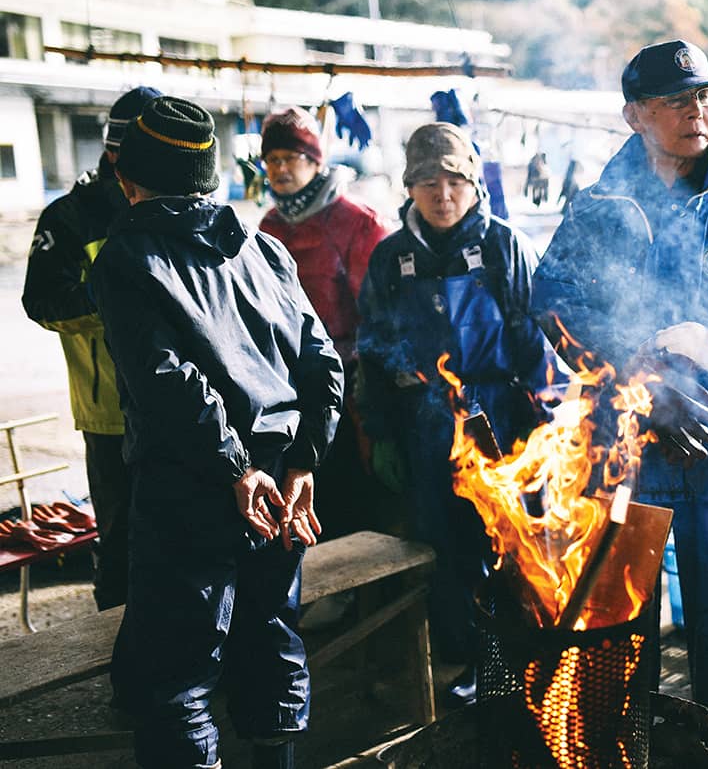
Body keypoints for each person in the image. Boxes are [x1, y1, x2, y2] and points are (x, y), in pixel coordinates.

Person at [529, 39, 708, 727]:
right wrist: (638, 368)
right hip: (626, 448)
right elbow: (554, 301)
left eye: (704, 97)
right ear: (635, 114)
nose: (696, 111)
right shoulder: (597, 208)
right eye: (676, 100)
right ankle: (628, 743)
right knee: (621, 625)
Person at [91, 96, 344, 769]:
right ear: (207, 177)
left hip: (192, 483)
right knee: (269, 631)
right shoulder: (263, 250)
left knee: (177, 669)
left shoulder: (125, 256)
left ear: (128, 178)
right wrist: (303, 462)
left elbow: (166, 382)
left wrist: (236, 467)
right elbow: (322, 361)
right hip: (276, 483)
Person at [355, 121, 566, 703]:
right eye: (427, 182)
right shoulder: (390, 258)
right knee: (444, 550)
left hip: (502, 421)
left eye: (453, 180)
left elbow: (541, 341)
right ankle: (467, 663)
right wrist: (382, 434)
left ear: (473, 183)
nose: (441, 194)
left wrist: (548, 428)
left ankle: (520, 666)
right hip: (426, 427)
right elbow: (370, 348)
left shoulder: (505, 246)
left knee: (509, 546)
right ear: (409, 189)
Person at [21, 85, 161, 611]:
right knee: (123, 542)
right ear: (114, 149)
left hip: (186, 409)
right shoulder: (70, 216)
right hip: (111, 418)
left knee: (183, 536)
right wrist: (117, 296)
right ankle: (119, 664)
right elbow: (42, 302)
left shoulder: (176, 202)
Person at [258, 105, 392, 540]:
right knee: (304, 489)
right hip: (289, 382)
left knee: (356, 488)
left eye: (289, 158)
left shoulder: (357, 222)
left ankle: (361, 597)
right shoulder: (269, 226)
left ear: (315, 161)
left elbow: (382, 313)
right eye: (272, 159)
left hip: (349, 381)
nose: (279, 168)